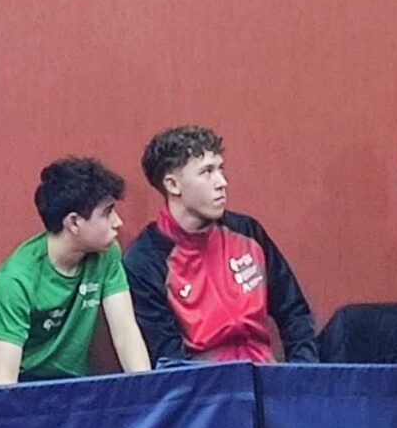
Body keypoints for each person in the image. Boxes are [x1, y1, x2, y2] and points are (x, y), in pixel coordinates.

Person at [125, 125, 318, 364]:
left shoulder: (248, 232)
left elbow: (295, 312)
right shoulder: (145, 261)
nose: (222, 182)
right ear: (173, 185)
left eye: (220, 169)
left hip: (265, 373)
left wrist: (302, 371)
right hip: (205, 384)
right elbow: (168, 357)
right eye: (207, 172)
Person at [0, 157, 154, 386]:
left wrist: (148, 392)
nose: (118, 222)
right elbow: (2, 386)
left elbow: (126, 333)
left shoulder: (106, 254)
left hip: (68, 392)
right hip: (12, 395)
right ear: (73, 223)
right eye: (107, 213)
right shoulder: (13, 282)